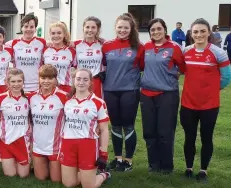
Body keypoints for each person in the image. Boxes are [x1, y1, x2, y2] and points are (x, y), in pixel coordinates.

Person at [181, 18, 231, 183]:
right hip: (188, 104)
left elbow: (227, 77)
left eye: (203, 31)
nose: (199, 35)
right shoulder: (185, 52)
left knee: (206, 137)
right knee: (189, 137)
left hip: (209, 105)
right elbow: (178, 71)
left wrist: (211, 91)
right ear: (191, 33)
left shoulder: (218, 53)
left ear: (209, 33)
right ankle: (188, 168)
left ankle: (203, 170)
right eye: (195, 32)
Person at [138, 18, 186, 174]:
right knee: (149, 132)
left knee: (165, 131)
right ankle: (153, 165)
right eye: (153, 30)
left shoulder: (174, 48)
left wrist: (175, 73)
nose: (156, 32)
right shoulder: (146, 47)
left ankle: (166, 167)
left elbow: (183, 67)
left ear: (165, 30)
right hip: (146, 94)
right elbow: (141, 65)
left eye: (159, 29)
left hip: (167, 94)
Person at [102, 13, 143, 172]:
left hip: (129, 90)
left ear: (131, 28)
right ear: (115, 28)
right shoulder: (107, 45)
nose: (122, 30)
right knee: (115, 125)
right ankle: (118, 159)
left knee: (128, 125)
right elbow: (104, 64)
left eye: (126, 27)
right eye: (120, 27)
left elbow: (143, 66)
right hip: (110, 90)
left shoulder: (139, 46)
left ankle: (129, 161)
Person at [60, 68, 111, 188]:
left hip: (88, 144)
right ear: (73, 81)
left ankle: (104, 174)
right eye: (78, 79)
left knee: (88, 187)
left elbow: (104, 129)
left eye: (85, 79)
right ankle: (85, 175)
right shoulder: (67, 101)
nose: (81, 82)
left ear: (90, 82)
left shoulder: (98, 102)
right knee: (68, 184)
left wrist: (103, 153)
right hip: (68, 143)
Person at [28, 65, 68, 182]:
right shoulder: (31, 96)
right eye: (43, 78)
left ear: (55, 79)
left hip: (56, 146)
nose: (46, 81)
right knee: (41, 178)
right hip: (38, 146)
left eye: (50, 78)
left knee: (56, 180)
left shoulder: (64, 96)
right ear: (39, 79)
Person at [0, 68, 30, 178]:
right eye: (13, 81)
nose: (16, 84)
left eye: (19, 81)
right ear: (7, 83)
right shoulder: (0, 98)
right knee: (10, 175)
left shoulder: (29, 98)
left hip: (22, 139)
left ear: (23, 82)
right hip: (6, 140)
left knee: (23, 175)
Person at [5, 13, 45, 92]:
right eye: (26, 26)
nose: (28, 29)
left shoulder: (42, 42)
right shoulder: (12, 43)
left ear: (35, 29)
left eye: (31, 27)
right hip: (18, 86)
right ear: (21, 28)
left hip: (37, 87)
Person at [73, 16, 106, 98]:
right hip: (81, 81)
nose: (90, 30)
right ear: (83, 28)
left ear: (98, 29)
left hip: (97, 81)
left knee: (96, 106)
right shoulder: (75, 45)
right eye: (87, 27)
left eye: (93, 27)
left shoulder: (103, 44)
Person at [42, 22, 76, 93]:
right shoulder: (45, 49)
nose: (56, 35)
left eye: (59, 33)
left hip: (65, 87)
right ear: (50, 35)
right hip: (48, 87)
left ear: (64, 34)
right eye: (53, 33)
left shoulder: (71, 51)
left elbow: (77, 68)